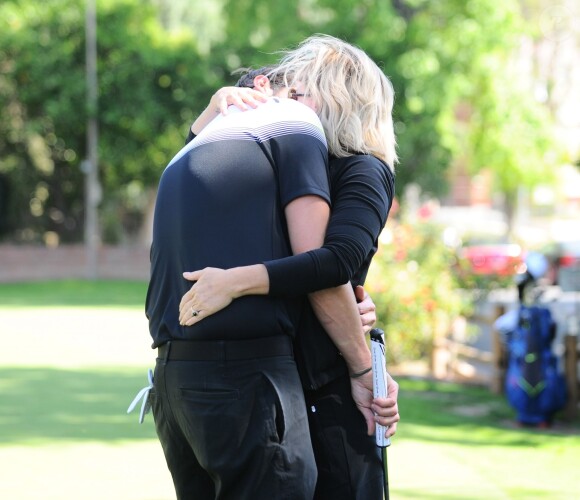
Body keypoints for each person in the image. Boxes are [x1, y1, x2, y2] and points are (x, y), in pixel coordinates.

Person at [179, 35, 399, 499]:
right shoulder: (290, 158)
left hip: (330, 382)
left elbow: (336, 261)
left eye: (302, 91)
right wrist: (211, 114)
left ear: (341, 95)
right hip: (276, 380)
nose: (288, 100)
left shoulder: (363, 169)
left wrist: (237, 283)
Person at [145, 66, 339, 497]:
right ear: (262, 87)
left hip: (173, 380)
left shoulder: (187, 154)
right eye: (306, 91)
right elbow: (319, 262)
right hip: (245, 377)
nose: (319, 107)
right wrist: (363, 368)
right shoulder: (291, 118)